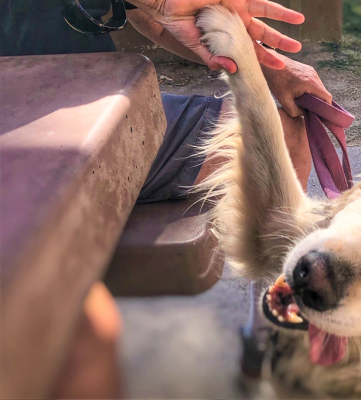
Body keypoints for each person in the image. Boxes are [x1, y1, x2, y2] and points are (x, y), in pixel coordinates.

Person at [1, 0, 332, 397]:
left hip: (101, 105)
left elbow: (154, 17)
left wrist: (266, 66)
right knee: (82, 340)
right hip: (17, 126)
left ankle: (265, 336)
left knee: (282, 135)